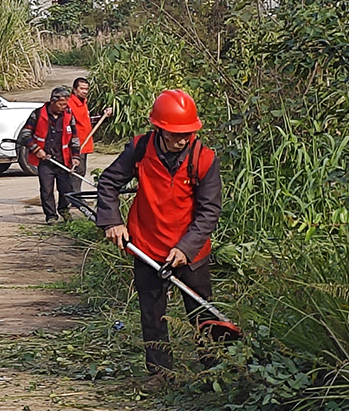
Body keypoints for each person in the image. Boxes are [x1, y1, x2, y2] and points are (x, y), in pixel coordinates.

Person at [94, 89, 222, 388]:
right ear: (159, 129)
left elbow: (209, 211)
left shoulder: (204, 158)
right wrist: (112, 221)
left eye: (187, 133)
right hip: (147, 246)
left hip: (191, 250)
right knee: (152, 314)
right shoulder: (139, 149)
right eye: (176, 134)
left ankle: (214, 371)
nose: (182, 140)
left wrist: (186, 248)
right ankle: (161, 373)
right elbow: (109, 183)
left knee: (202, 311)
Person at [17, 86, 82, 223]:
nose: (64, 107)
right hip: (45, 161)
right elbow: (25, 134)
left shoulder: (68, 116)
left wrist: (76, 157)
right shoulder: (38, 114)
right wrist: (36, 149)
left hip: (63, 160)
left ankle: (64, 211)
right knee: (46, 189)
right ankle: (51, 216)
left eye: (65, 104)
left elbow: (74, 139)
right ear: (52, 101)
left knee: (66, 189)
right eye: (61, 104)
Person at [69, 76, 114, 179]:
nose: (85, 92)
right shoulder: (69, 105)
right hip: (76, 146)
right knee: (76, 174)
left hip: (84, 144)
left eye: (86, 89)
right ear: (74, 89)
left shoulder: (83, 103)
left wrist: (103, 116)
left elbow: (87, 120)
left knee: (81, 172)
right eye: (82, 89)